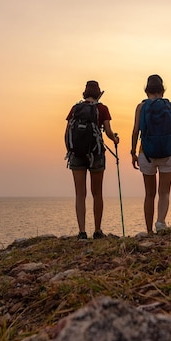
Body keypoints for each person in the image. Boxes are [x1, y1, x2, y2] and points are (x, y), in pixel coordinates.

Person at [131, 74, 171, 234]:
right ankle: (161, 223)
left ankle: (149, 231)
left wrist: (133, 152)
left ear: (146, 90)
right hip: (168, 153)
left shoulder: (141, 107)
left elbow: (136, 131)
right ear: (162, 90)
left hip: (146, 153)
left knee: (149, 194)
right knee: (164, 191)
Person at [65, 80, 119, 240]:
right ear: (98, 93)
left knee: (80, 194)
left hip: (76, 154)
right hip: (96, 154)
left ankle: (82, 232)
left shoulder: (75, 108)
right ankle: (97, 230)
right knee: (97, 193)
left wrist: (71, 150)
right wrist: (115, 139)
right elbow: (108, 132)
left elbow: (68, 130)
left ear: (84, 93)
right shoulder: (102, 109)